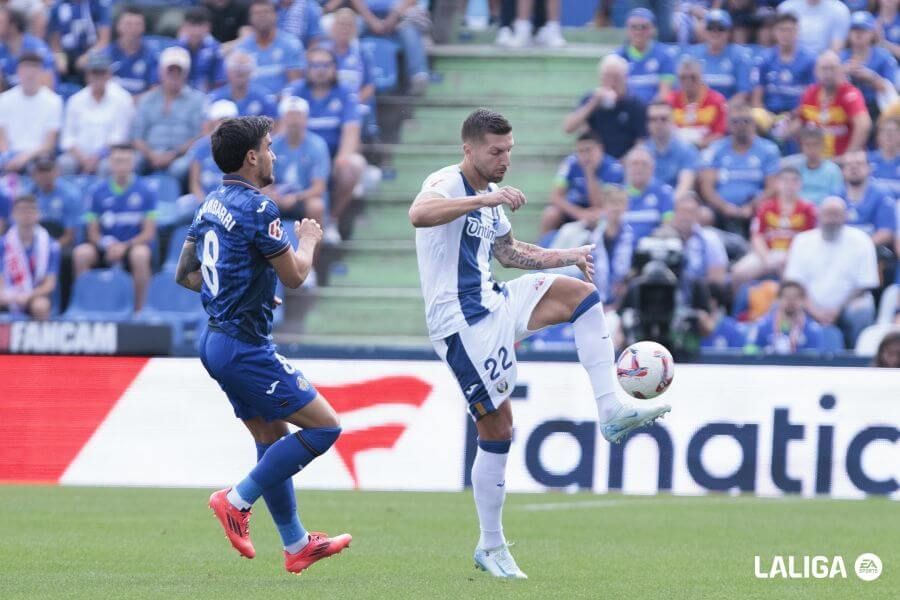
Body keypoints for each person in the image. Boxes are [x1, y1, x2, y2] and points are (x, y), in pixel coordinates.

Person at [409, 108, 670, 579]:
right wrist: (482, 204)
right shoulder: (447, 184)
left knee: (582, 295)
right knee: (498, 429)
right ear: (468, 149)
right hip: (460, 323)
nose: (505, 159)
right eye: (496, 151)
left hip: (495, 300)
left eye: (509, 150)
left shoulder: (490, 196)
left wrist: (563, 256)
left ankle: (611, 410)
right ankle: (490, 546)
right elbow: (418, 214)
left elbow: (509, 253)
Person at [173, 115, 352, 574]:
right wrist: (308, 240)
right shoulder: (261, 209)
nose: (275, 155)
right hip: (245, 347)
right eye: (270, 147)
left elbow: (186, 274)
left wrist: (245, 288)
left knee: (272, 437)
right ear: (252, 157)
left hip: (214, 341)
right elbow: (294, 276)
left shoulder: (209, 203)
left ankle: (295, 544)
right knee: (325, 427)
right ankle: (236, 500)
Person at [285, 47, 364, 242]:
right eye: (315, 65)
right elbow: (282, 128)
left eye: (326, 65)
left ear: (335, 68)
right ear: (307, 68)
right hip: (302, 156)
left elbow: (351, 130)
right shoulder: (296, 91)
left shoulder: (345, 93)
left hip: (333, 156)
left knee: (352, 165)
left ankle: (331, 220)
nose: (320, 70)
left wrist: (343, 157)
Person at [784, 196, 880, 347]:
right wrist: (814, 310)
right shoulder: (802, 241)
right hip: (808, 304)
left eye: (836, 214)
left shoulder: (862, 241)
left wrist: (837, 310)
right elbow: (795, 283)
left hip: (848, 303)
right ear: (819, 215)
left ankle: (858, 360)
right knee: (783, 304)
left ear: (845, 216)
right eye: (828, 214)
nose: (831, 219)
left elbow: (864, 285)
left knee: (863, 310)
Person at [73, 144, 156, 312]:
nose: (121, 166)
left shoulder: (146, 191)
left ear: (133, 163)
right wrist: (106, 244)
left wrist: (125, 246)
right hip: (104, 246)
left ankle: (139, 311)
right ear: (110, 163)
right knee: (81, 253)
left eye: (126, 161)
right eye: (117, 161)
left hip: (132, 246)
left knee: (141, 255)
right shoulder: (97, 191)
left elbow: (149, 232)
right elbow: (92, 231)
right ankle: (84, 307)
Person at [698, 100, 780, 232]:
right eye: (735, 121)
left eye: (746, 121)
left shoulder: (769, 150)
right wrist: (724, 207)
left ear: (754, 123)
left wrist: (752, 206)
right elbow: (707, 188)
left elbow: (772, 187)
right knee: (702, 215)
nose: (741, 125)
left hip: (756, 207)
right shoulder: (716, 149)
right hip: (721, 209)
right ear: (728, 124)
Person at [731, 166, 817, 288]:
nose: (789, 185)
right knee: (738, 273)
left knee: (792, 280)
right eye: (785, 181)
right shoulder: (766, 207)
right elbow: (757, 236)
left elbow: (810, 239)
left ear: (800, 184)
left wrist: (789, 258)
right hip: (768, 253)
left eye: (794, 181)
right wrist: (766, 259)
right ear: (778, 184)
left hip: (795, 256)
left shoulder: (808, 209)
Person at [131, 46, 205, 178]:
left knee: (179, 168)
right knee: (132, 163)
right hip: (149, 154)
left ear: (186, 74)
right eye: (170, 70)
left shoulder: (197, 101)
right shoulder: (147, 99)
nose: (174, 75)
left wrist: (174, 154)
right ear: (161, 72)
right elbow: (137, 136)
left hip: (181, 155)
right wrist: (151, 155)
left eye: (179, 71)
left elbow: (199, 137)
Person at [58, 52, 133, 176]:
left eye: (102, 73)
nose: (98, 77)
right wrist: (82, 158)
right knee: (64, 163)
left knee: (108, 166)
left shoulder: (122, 99)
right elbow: (67, 138)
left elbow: (119, 137)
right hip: (78, 155)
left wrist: (97, 157)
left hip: (108, 155)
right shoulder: (76, 100)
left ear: (109, 74)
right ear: (87, 75)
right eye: (94, 73)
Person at [563, 54, 646, 159]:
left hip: (624, 161)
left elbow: (641, 141)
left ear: (625, 79)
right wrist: (593, 103)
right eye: (607, 77)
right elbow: (568, 128)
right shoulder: (590, 99)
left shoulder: (635, 104)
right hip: (595, 160)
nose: (612, 83)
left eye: (616, 78)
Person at [539, 133, 623, 235]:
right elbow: (555, 196)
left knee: (601, 215)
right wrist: (579, 213)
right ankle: (542, 248)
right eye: (580, 151)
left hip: (599, 211)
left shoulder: (614, 168)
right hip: (575, 209)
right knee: (551, 214)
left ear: (600, 149)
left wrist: (589, 173)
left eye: (588, 150)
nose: (585, 155)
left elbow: (600, 204)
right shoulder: (570, 163)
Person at [793, 51, 871, 158]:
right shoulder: (809, 93)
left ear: (840, 71)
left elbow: (864, 125)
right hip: (816, 161)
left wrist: (849, 155)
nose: (828, 73)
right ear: (816, 71)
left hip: (841, 160)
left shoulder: (850, 94)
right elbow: (798, 124)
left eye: (832, 68)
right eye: (824, 69)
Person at [350, 0, 430, 94]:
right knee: (348, 25)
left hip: (400, 15)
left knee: (409, 27)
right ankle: (345, 70)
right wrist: (372, 21)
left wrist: (392, 18)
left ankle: (418, 76)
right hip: (367, 16)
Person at [270, 96, 329, 224]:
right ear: (282, 119)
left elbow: (318, 187)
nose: (294, 121)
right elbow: (263, 181)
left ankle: (314, 243)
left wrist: (296, 198)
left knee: (316, 206)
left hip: (303, 198)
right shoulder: (272, 144)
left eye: (298, 116)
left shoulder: (318, 145)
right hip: (277, 197)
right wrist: (273, 195)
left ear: (306, 119)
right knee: (259, 204)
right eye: (290, 116)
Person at [0, 53, 62, 174]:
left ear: (41, 72)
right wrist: (8, 156)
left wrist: (24, 158)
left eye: (34, 69)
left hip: (38, 156)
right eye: (25, 69)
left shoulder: (54, 101)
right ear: (18, 71)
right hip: (9, 155)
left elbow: (49, 143)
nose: (29, 74)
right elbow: (1, 137)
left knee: (44, 165)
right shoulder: (3, 100)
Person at [0, 194, 60, 320]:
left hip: (35, 294)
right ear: (13, 214)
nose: (26, 214)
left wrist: (28, 295)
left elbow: (50, 283)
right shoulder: (3, 244)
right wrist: (7, 296)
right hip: (7, 293)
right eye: (21, 210)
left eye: (31, 209)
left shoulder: (50, 245)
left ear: (38, 214)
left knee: (41, 306)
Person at [320, 8, 377, 140]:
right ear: (333, 27)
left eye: (349, 25)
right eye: (341, 24)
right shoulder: (322, 51)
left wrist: (351, 102)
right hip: (327, 103)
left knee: (355, 115)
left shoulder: (362, 52)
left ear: (355, 29)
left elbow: (369, 86)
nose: (344, 29)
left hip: (355, 102)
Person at [752, 12, 816, 125]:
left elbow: (812, 97)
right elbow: (757, 98)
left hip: (798, 117)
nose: (785, 34)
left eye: (790, 30)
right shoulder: (765, 59)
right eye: (782, 30)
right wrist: (768, 118)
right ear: (775, 32)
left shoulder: (809, 60)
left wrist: (792, 116)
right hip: (769, 115)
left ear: (797, 32)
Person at [184, 100, 240, 221]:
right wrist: (207, 205)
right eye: (221, 120)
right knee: (182, 207)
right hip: (204, 200)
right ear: (213, 122)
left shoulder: (245, 148)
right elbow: (195, 184)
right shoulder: (200, 147)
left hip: (234, 203)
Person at [238, 0, 305, 99]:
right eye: (257, 13)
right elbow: (238, 84)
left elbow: (295, 83)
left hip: (283, 102)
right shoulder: (243, 48)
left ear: (276, 15)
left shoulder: (290, 44)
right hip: (252, 105)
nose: (261, 16)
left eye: (266, 12)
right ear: (250, 19)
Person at [840, 11, 897, 127]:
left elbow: (892, 90)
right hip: (847, 108)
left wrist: (871, 77)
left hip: (877, 108)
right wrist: (842, 73)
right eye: (855, 30)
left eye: (863, 30)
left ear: (872, 33)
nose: (858, 34)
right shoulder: (841, 57)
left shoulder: (883, 57)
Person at [688, 10, 754, 102]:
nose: (715, 32)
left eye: (721, 28)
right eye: (710, 28)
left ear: (729, 32)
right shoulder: (693, 54)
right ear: (704, 31)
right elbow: (685, 90)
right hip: (699, 111)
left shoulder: (739, 56)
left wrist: (721, 110)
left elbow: (743, 93)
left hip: (730, 111)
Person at [668, 191, 728, 288]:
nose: (686, 217)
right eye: (682, 211)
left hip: (699, 297)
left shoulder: (710, 239)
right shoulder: (662, 237)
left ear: (698, 214)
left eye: (690, 212)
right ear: (674, 212)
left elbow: (717, 280)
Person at [616, 8, 675, 105]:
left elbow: (664, 93)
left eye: (644, 27)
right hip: (627, 112)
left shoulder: (664, 55)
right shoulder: (617, 57)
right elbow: (613, 91)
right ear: (627, 29)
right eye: (634, 27)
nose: (638, 32)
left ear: (653, 29)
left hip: (654, 112)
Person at [666, 56, 727, 150]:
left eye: (693, 77)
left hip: (708, 150)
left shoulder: (716, 101)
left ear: (701, 76)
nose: (688, 81)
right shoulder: (670, 100)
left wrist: (701, 144)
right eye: (683, 77)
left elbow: (720, 134)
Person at [839, 150, 897, 248]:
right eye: (848, 165)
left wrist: (862, 247)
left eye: (859, 164)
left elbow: (886, 232)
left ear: (869, 168)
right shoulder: (835, 196)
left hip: (873, 252)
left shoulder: (882, 195)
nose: (854, 168)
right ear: (842, 171)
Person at [642, 99, 698, 198]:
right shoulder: (641, 152)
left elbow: (685, 186)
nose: (658, 123)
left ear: (672, 121)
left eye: (663, 119)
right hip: (648, 205)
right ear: (648, 124)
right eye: (653, 119)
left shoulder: (687, 150)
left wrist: (666, 207)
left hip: (677, 204)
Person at [749, 281, 824, 354]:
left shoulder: (812, 329)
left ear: (803, 301)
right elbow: (749, 354)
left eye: (795, 297)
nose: (791, 301)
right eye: (786, 296)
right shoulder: (762, 326)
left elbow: (813, 361)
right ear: (778, 299)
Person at [100, 6, 158, 96]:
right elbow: (100, 87)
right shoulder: (106, 54)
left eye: (138, 24)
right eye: (128, 24)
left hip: (141, 106)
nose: (133, 28)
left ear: (144, 27)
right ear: (118, 26)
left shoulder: (151, 55)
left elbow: (155, 89)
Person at [46, 0, 111, 79]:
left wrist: (88, 55)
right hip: (66, 54)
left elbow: (104, 40)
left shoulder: (97, 5)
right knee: (51, 66)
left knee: (98, 64)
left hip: (91, 53)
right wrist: (59, 56)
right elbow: (55, 42)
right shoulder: (58, 6)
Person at [622, 146, 673, 245]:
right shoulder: (617, 193)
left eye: (644, 164)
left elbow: (668, 223)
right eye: (634, 163)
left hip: (651, 248)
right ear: (626, 167)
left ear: (652, 168)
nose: (639, 168)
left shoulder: (663, 192)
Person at [207, 50, 278, 118]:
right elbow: (207, 126)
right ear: (227, 71)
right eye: (235, 68)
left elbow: (275, 124)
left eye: (244, 68)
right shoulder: (216, 97)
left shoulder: (263, 97)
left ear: (251, 72)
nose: (240, 72)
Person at [783, 127, 843, 205]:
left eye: (815, 144)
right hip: (799, 212)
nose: (811, 149)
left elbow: (836, 198)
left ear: (822, 146)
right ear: (802, 147)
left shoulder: (833, 170)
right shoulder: (795, 168)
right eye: (807, 145)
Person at [0, 6, 55, 89]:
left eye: (1, 22)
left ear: (13, 26)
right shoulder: (1, 50)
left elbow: (48, 84)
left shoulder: (36, 48)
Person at [777, 0, 850, 56]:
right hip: (792, 61)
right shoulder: (786, 8)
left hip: (823, 64)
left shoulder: (839, 10)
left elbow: (836, 49)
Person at [178, 6, 225, 93]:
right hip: (181, 98)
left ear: (208, 27)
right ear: (184, 26)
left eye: (200, 25)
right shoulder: (177, 48)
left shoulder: (215, 50)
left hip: (208, 97)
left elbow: (219, 82)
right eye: (192, 25)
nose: (196, 31)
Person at [868, 115, 900, 198]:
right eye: (885, 131)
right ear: (878, 136)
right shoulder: (867, 160)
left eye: (894, 131)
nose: (889, 135)